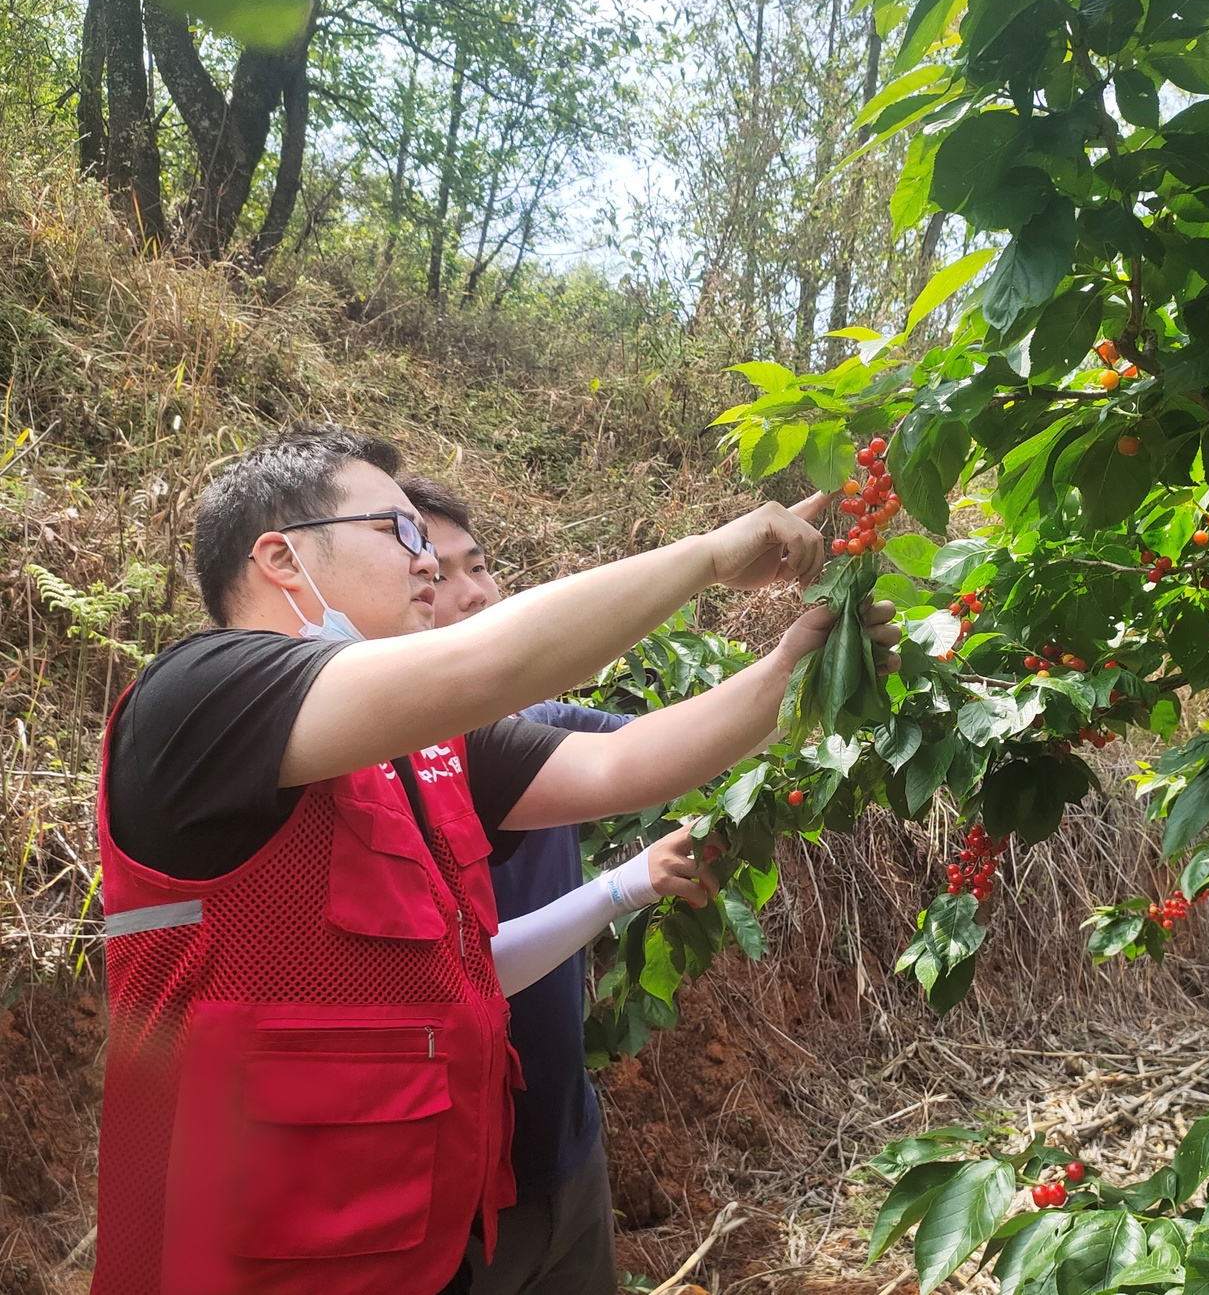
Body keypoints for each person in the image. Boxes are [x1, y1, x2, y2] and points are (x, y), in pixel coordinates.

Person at [93, 426, 898, 1295]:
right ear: (284, 559)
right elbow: (491, 662)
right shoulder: (198, 700)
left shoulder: (423, 752)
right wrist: (708, 556)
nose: (429, 564)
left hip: (421, 1259)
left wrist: (796, 667)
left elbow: (625, 764)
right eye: (398, 533)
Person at [400, 475, 629, 1295]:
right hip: (455, 1203)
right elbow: (473, 969)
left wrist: (814, 671)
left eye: (478, 565)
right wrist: (627, 886)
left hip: (569, 1152)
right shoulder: (391, 770)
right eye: (432, 575)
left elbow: (662, 748)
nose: (470, 594)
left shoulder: (536, 723)